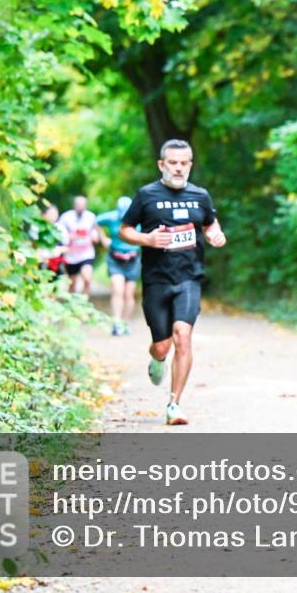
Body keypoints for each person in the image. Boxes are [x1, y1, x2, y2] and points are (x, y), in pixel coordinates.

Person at [119, 139, 226, 425]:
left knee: (183, 335)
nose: (179, 168)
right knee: (163, 346)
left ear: (190, 165)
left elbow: (209, 222)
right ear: (161, 165)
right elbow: (125, 229)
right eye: (173, 163)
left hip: (189, 277)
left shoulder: (200, 195)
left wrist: (215, 233)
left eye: (184, 163)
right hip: (156, 280)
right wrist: (147, 239)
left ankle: (174, 404)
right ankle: (156, 359)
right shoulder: (146, 195)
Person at [97, 196, 142, 336]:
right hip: (115, 258)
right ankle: (116, 323)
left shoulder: (139, 219)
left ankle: (125, 323)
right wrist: (103, 239)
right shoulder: (111, 218)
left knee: (129, 294)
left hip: (132, 259)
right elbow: (96, 222)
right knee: (118, 290)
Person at [57, 195, 102, 297]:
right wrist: (68, 237)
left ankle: (84, 302)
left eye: (83, 205)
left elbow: (95, 231)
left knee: (87, 278)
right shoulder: (66, 217)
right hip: (70, 255)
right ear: (74, 205)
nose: (81, 207)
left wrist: (95, 237)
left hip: (86, 254)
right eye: (79, 204)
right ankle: (72, 304)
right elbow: (59, 232)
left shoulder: (91, 217)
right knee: (72, 283)